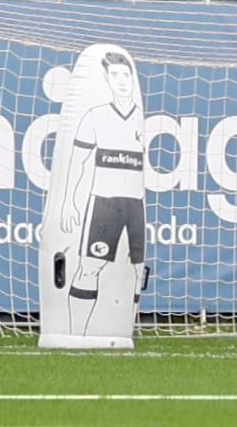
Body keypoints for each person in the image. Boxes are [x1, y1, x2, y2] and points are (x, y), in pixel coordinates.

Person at [62, 47, 146, 334]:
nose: (122, 80)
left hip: (135, 206)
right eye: (115, 75)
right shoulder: (95, 116)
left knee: (136, 271)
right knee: (89, 267)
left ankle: (126, 331)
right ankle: (75, 333)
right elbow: (78, 162)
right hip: (104, 205)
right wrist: (70, 203)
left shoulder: (140, 119)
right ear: (108, 80)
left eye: (126, 74)